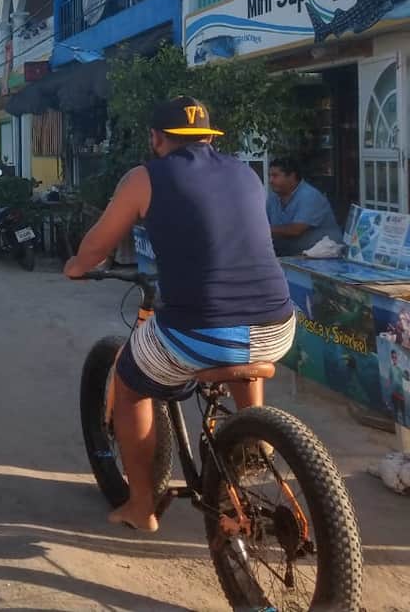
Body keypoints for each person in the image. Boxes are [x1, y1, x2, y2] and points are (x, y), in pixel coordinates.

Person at [63, 96, 295, 532]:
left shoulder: (144, 179)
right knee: (239, 356)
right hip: (277, 326)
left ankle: (141, 505)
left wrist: (78, 266)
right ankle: (250, 444)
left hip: (202, 332)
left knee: (130, 384)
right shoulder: (246, 174)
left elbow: (97, 246)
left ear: (156, 139)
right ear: (209, 136)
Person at [266, 157, 343, 256]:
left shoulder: (309, 195)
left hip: (324, 257)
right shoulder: (273, 198)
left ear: (291, 176)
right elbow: (264, 222)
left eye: (275, 176)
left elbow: (295, 230)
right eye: (270, 176)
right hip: (290, 257)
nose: (270, 180)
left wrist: (261, 229)